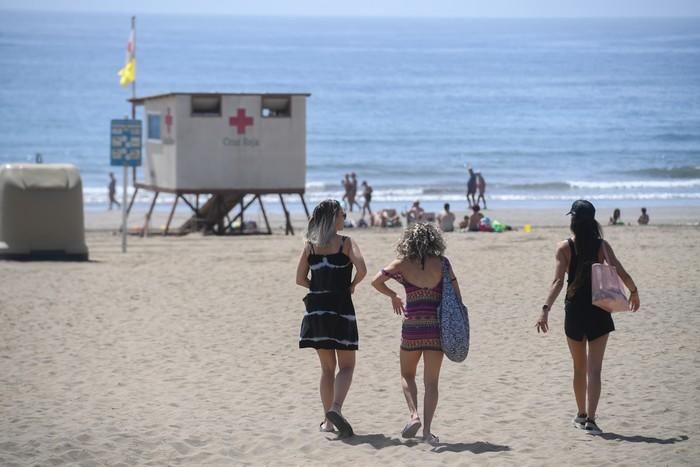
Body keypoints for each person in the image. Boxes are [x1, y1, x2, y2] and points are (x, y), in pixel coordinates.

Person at [535, 200, 640, 434]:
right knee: (595, 370)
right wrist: (633, 291)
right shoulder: (601, 245)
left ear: (572, 220)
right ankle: (591, 419)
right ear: (592, 220)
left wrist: (545, 308)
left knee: (579, 368)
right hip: (598, 310)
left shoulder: (564, 247)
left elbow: (558, 282)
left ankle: (581, 414)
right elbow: (619, 270)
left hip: (574, 311)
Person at [371, 222, 462, 446]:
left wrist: (394, 295)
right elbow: (457, 297)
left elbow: (376, 281)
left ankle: (414, 416)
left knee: (406, 375)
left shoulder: (402, 263)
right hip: (435, 328)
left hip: (412, 326)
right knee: (431, 382)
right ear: (434, 240)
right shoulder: (443, 264)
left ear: (408, 241)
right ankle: (428, 432)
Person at [295, 199, 367, 437]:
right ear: (333, 218)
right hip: (340, 307)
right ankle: (335, 407)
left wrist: (317, 287)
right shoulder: (346, 243)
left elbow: (299, 279)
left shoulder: (311, 246)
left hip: (317, 309)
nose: (344, 219)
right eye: (342, 215)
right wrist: (352, 285)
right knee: (347, 366)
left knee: (327, 369)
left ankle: (328, 423)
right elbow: (363, 269)